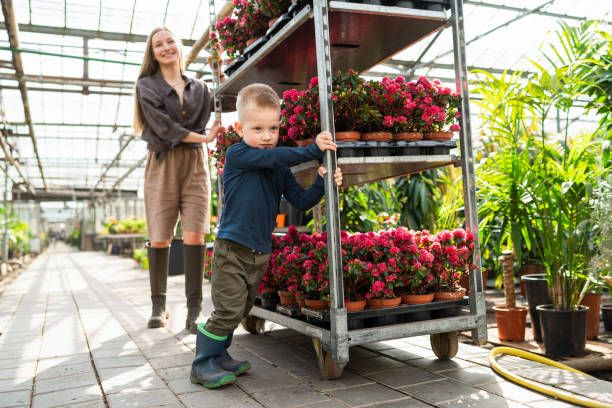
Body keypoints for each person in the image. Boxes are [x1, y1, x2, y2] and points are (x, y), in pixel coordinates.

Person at [190, 83, 343, 389]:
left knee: (243, 307)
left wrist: (322, 183)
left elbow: (300, 201)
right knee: (229, 308)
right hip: (232, 249)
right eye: (257, 128)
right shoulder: (238, 155)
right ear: (241, 127)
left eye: (273, 128)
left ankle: (219, 356)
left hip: (259, 251)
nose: (266, 136)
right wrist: (313, 150)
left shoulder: (279, 168)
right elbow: (274, 158)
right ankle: (201, 364)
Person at [133, 26, 232, 334]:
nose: (165, 47)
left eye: (170, 41)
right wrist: (205, 137)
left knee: (195, 235)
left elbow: (227, 99)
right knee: (161, 235)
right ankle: (158, 306)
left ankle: (193, 310)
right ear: (153, 52)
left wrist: (221, 69)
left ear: (179, 46)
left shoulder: (199, 88)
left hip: (195, 165)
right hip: (162, 162)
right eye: (158, 44)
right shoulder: (146, 86)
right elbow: (164, 129)